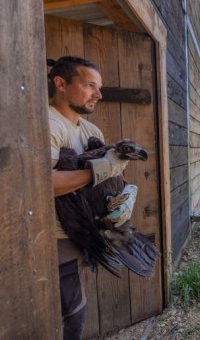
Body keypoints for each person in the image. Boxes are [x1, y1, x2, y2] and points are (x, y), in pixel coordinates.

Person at [48, 56, 131, 340]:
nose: (99, 94)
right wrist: (98, 172)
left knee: (77, 309)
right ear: (61, 83)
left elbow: (108, 179)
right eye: (89, 86)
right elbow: (43, 185)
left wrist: (126, 194)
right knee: (70, 318)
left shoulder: (91, 131)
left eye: (99, 87)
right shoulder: (47, 123)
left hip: (88, 233)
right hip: (58, 239)